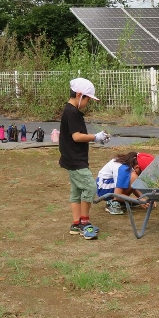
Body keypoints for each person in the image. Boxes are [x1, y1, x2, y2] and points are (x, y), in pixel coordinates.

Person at [59, 77, 110, 240]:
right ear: (79, 95)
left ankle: (76, 223)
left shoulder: (72, 111)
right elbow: (76, 136)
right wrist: (95, 137)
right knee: (89, 187)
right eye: (88, 99)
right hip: (75, 159)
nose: (88, 102)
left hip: (72, 158)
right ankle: (84, 223)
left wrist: (97, 138)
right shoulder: (72, 112)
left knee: (76, 192)